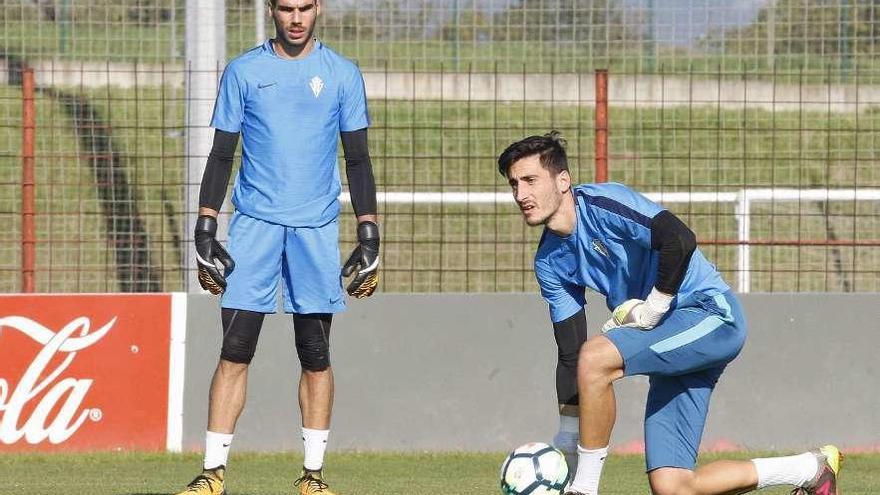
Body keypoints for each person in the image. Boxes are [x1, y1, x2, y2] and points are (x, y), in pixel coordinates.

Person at [497, 131, 842, 495]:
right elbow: (569, 352)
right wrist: (567, 435)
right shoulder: (549, 261)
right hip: (670, 337)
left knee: (596, 358)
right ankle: (811, 468)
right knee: (674, 486)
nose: (521, 195)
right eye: (514, 184)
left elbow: (679, 239)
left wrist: (653, 308)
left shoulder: (603, 203)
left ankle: (584, 489)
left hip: (710, 315)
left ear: (563, 180)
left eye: (531, 180)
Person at [177, 1, 379, 494]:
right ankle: (211, 475)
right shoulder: (244, 71)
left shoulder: (342, 75)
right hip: (254, 229)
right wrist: (206, 225)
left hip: (315, 230)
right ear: (271, 9)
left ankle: (312, 477)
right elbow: (222, 152)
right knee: (235, 349)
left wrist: (369, 230)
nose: (295, 17)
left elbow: (357, 160)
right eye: (285, 7)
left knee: (315, 352)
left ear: (318, 9)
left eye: (304, 7)